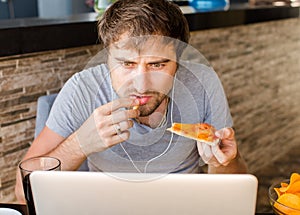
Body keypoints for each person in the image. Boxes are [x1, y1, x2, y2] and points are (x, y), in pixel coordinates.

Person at [15, 0, 247, 202]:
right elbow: (22, 189)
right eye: (127, 64)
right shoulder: (82, 89)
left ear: (179, 61)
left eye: (157, 64)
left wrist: (223, 161)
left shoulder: (203, 82)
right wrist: (79, 144)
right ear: (107, 59)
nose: (141, 84)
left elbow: (237, 191)